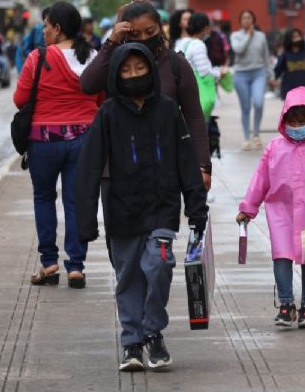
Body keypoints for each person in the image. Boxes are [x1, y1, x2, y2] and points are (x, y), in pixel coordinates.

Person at [75, 42, 208, 372]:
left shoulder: (167, 111)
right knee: (129, 279)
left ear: (150, 68)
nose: (134, 74)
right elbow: (90, 167)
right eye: (126, 69)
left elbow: (184, 161)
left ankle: (153, 331)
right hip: (122, 211)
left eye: (140, 67)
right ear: (116, 74)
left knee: (159, 265)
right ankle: (132, 342)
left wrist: (196, 208)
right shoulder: (107, 114)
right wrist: (85, 221)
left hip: (162, 210)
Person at [236, 86, 305, 328]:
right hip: (281, 211)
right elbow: (261, 179)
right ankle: (287, 305)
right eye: (294, 121)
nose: (298, 127)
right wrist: (248, 207)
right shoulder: (275, 148)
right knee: (281, 256)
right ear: (285, 119)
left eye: (303, 121)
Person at [13, 1, 102, 289]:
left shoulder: (37, 58)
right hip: (84, 139)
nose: (43, 31)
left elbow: (20, 100)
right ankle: (75, 267)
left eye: (46, 25)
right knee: (76, 201)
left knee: (44, 198)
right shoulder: (93, 58)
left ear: (57, 28)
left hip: (44, 140)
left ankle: (49, 263)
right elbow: (101, 99)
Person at [80, 0, 212, 190]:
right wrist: (111, 43)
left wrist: (203, 165)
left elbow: (194, 117)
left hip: (164, 168)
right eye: (135, 34)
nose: (143, 38)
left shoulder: (176, 65)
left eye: (150, 32)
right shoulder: (115, 62)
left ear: (160, 27)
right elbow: (88, 84)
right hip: (118, 170)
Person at [230, 9, 273, 150]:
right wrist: (248, 36)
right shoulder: (235, 35)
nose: (246, 20)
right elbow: (238, 50)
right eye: (243, 18)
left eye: (249, 18)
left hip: (258, 73)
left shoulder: (261, 36)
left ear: (253, 20)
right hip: (241, 74)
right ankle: (246, 138)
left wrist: (270, 74)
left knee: (259, 102)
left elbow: (266, 57)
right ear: (240, 21)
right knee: (246, 106)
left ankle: (256, 134)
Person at [274, 28, 305, 101]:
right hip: (289, 89)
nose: (297, 39)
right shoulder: (285, 54)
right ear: (289, 39)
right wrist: (272, 79)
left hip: (304, 88)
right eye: (294, 37)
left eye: (298, 36)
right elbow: (278, 69)